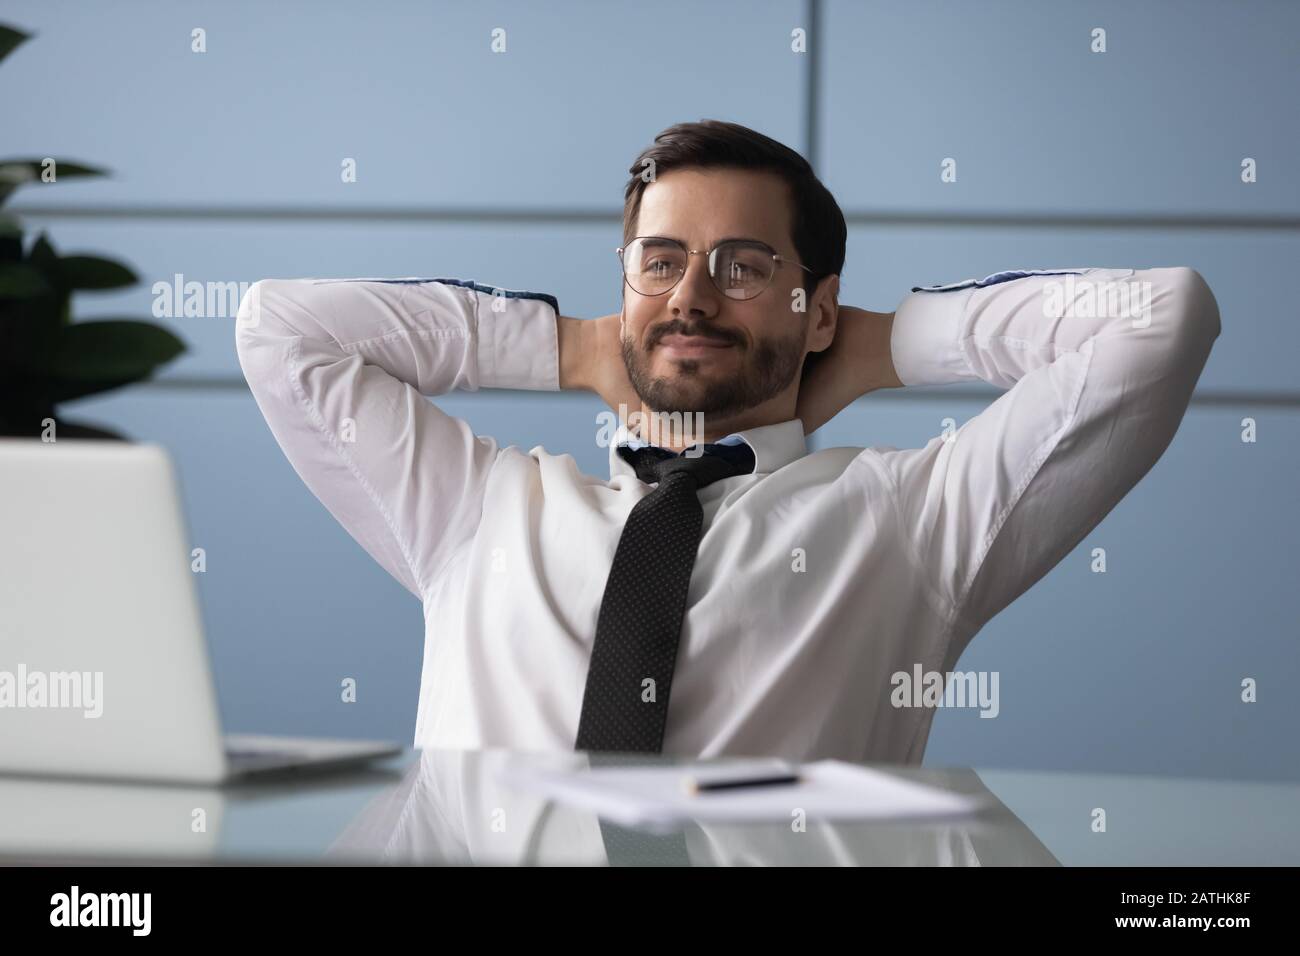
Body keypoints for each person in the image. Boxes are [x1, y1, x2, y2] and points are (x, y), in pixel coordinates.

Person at [235, 119, 1220, 764]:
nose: (692, 297)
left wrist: (881, 344)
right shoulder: (474, 508)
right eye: (660, 262)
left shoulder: (912, 521)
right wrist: (572, 346)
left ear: (818, 309)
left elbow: (1159, 320)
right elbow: (282, 330)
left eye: (742, 266)